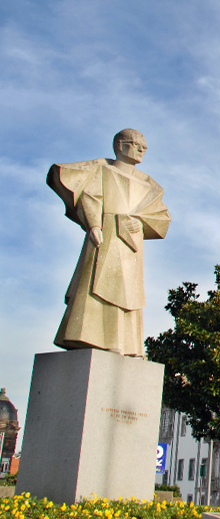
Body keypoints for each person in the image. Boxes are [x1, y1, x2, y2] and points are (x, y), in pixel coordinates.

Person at [48, 128, 170, 357]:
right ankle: (92, 337)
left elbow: (161, 217)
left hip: (131, 245)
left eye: (144, 146)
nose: (142, 149)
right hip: (107, 234)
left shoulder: (149, 184)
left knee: (129, 292)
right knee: (99, 282)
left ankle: (128, 345)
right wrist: (94, 224)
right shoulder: (102, 170)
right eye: (136, 144)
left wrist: (141, 222)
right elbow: (90, 197)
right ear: (120, 145)